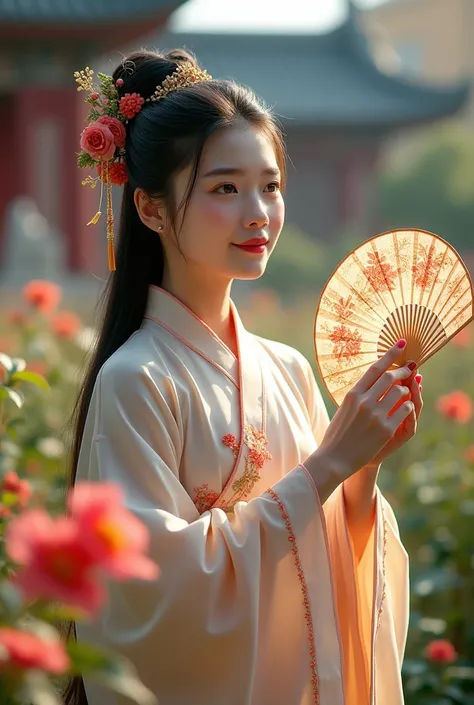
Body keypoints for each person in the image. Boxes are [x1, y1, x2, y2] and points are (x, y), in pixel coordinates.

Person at [66, 49, 423, 705]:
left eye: (271, 185)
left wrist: (362, 472)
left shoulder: (286, 370)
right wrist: (329, 462)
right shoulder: (136, 379)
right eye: (225, 188)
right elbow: (153, 600)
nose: (257, 212)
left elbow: (336, 549)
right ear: (150, 208)